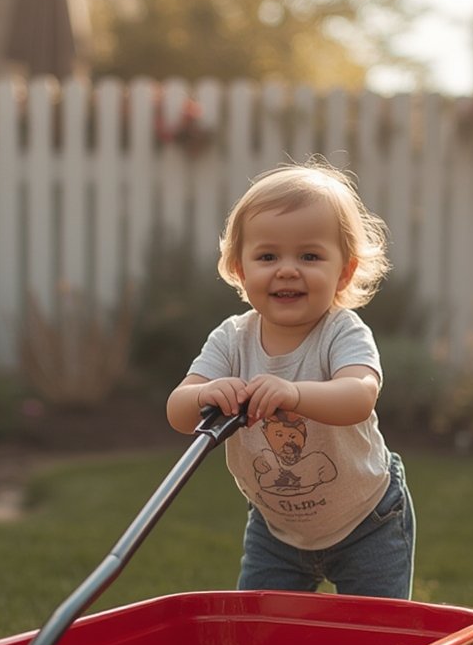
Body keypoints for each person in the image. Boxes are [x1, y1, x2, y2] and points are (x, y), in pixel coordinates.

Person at [166, 161, 415, 598]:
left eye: (309, 256)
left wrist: (295, 393)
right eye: (267, 256)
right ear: (240, 269)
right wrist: (205, 392)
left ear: (345, 271)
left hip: (367, 520)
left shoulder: (342, 331)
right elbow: (179, 411)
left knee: (378, 633)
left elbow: (360, 395)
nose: (286, 270)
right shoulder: (232, 340)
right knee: (258, 633)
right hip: (275, 531)